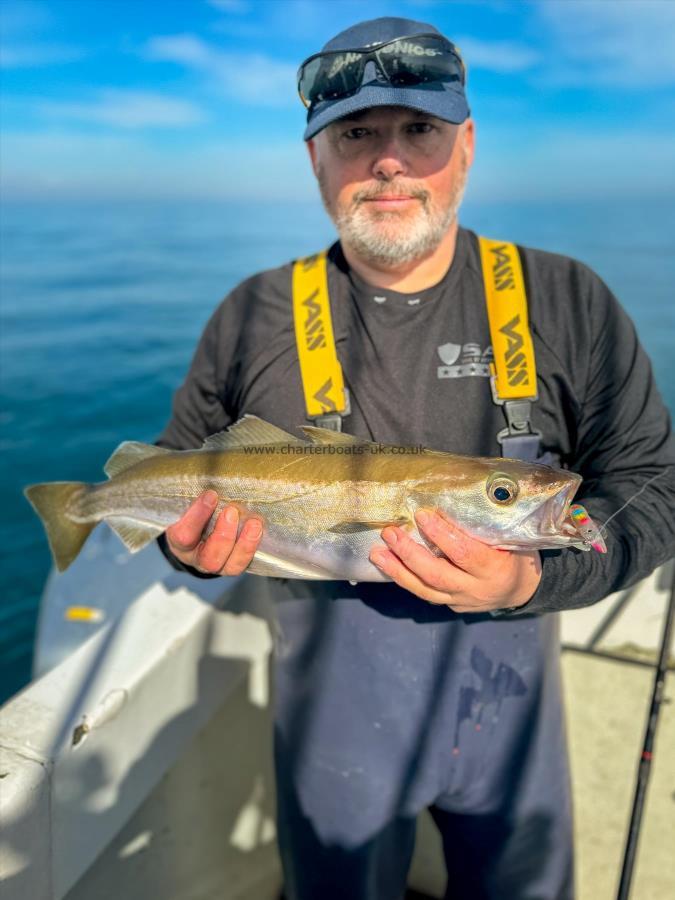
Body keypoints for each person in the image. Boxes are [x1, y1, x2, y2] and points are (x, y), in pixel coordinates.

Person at [156, 16, 675, 900]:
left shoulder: (569, 298)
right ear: (314, 158)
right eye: (356, 134)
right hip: (330, 732)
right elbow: (179, 467)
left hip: (513, 716)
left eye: (419, 130)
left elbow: (649, 488)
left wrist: (530, 584)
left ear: (465, 145)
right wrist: (184, 548)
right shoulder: (251, 314)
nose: (388, 161)